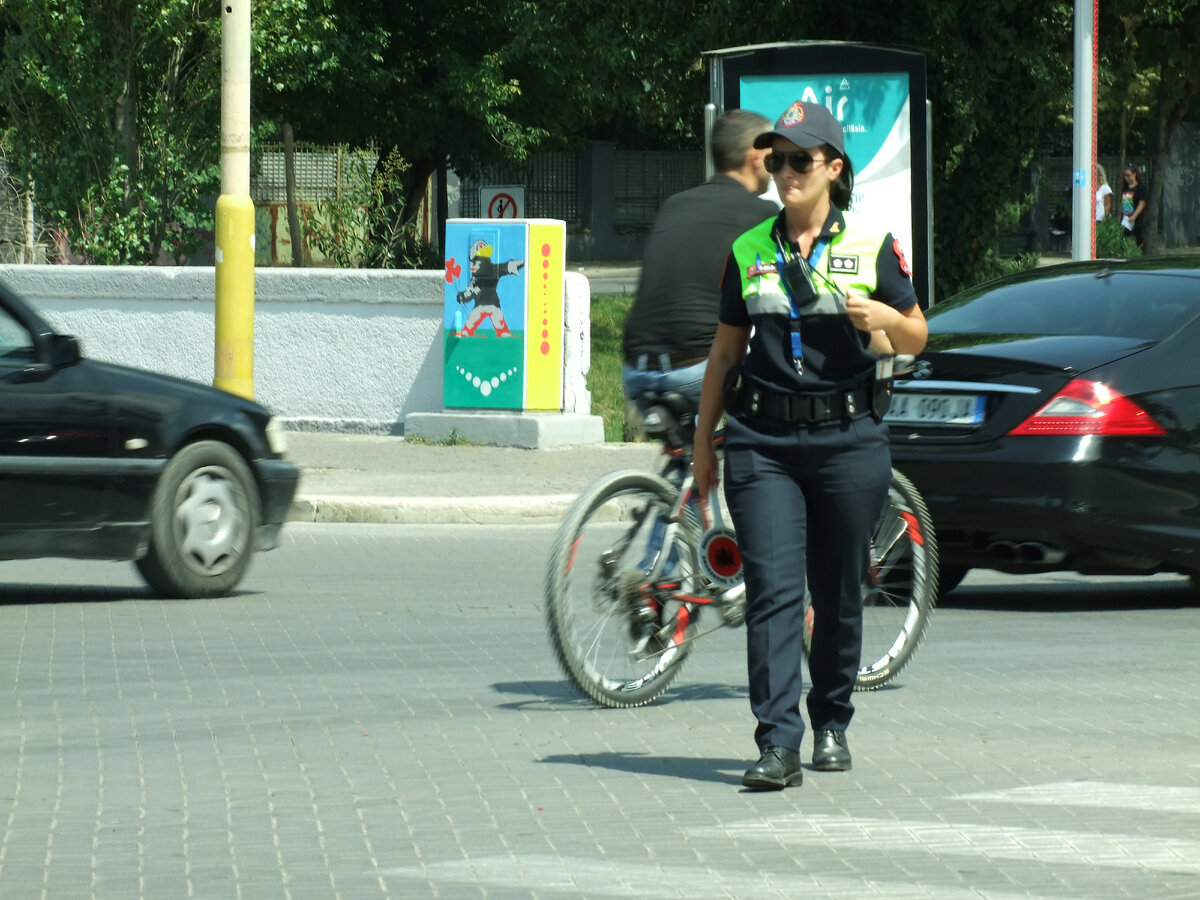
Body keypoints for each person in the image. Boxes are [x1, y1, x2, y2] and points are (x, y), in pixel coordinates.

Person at [692, 99, 928, 790]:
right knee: (771, 591)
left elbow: (916, 333)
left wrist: (886, 315)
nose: (785, 171)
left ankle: (831, 721)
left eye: (800, 159)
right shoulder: (747, 250)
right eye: (776, 158)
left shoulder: (873, 244)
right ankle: (777, 744)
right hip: (761, 439)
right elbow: (725, 352)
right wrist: (704, 443)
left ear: (832, 168)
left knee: (838, 589)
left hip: (848, 439)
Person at [622, 109, 778, 411]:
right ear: (756, 158)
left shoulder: (674, 204)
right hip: (696, 373)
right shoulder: (763, 216)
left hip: (635, 373)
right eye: (773, 157)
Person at [1120, 163, 1148, 249]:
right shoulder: (1126, 188)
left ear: (1134, 174)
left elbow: (1142, 204)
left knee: (1139, 240)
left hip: (1136, 219)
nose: (1126, 178)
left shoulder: (1140, 188)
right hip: (1126, 218)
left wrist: (1134, 216)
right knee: (1122, 238)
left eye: (1128, 175)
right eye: (1125, 176)